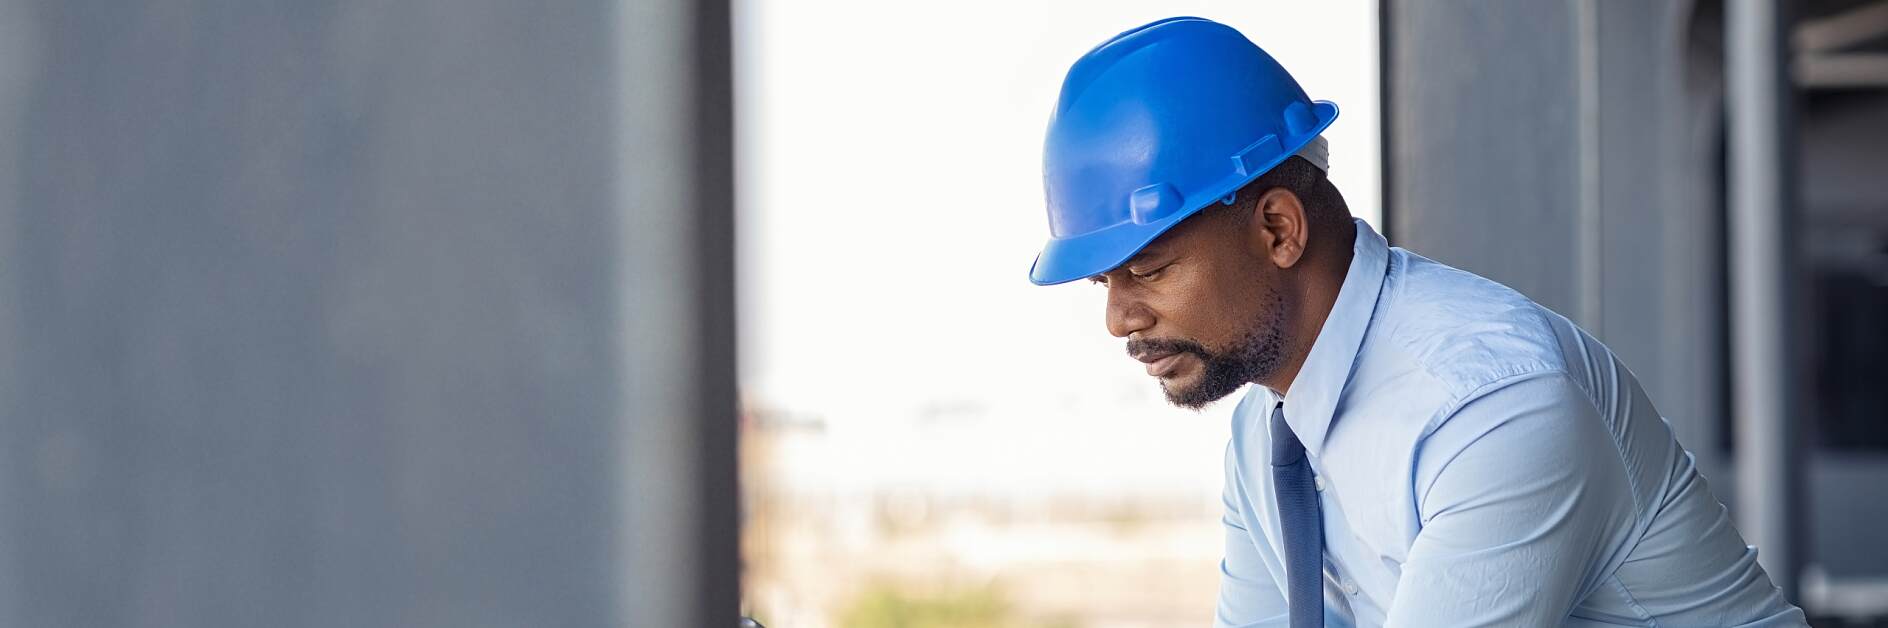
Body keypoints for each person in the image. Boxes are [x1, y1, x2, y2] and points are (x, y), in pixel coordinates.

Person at [1027, 17, 1809, 627]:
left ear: (1277, 230)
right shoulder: (1268, 436)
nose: (1117, 317)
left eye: (1149, 269)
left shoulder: (1490, 407)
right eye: (1104, 279)